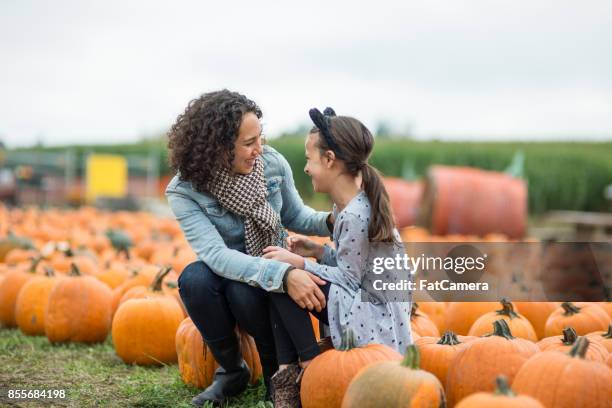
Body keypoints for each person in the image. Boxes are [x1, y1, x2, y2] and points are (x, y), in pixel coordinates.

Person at [165, 90, 334, 406]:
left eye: (260, 138)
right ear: (217, 148)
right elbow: (216, 255)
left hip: (265, 274)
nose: (259, 149)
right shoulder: (185, 190)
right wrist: (282, 274)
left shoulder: (271, 164)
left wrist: (339, 219)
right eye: (248, 143)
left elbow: (296, 216)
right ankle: (232, 370)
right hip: (235, 271)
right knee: (194, 279)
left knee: (242, 291)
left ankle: (277, 369)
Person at [261, 107, 413, 407]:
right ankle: (293, 371)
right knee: (286, 276)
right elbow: (356, 268)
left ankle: (304, 370)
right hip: (373, 307)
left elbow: (349, 280)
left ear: (329, 160)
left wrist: (300, 264)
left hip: (374, 321)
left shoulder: (355, 214)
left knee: (281, 280)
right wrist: (319, 251)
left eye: (309, 159)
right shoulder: (353, 206)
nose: (306, 168)